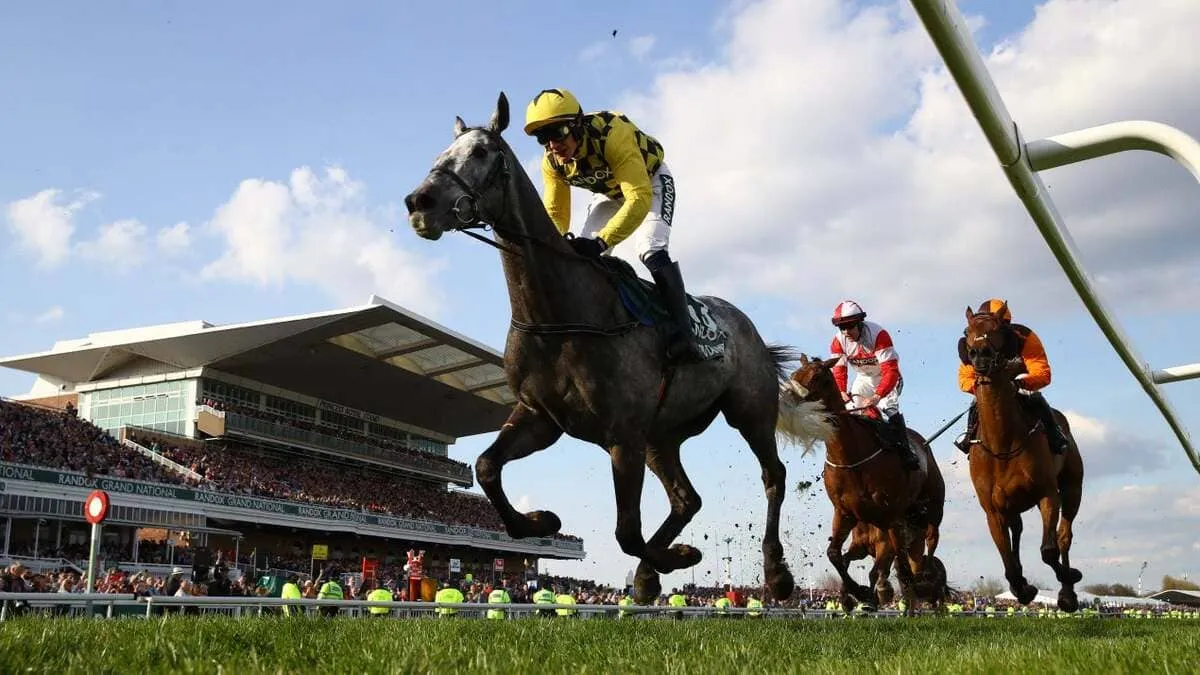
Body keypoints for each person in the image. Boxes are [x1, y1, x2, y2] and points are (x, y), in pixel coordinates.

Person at [523, 87, 702, 364]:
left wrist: (601, 241)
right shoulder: (552, 162)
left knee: (650, 248)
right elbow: (557, 213)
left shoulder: (613, 134)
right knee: (576, 259)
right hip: (609, 194)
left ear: (578, 126)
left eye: (558, 133)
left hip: (649, 183)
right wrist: (551, 247)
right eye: (543, 138)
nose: (553, 145)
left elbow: (639, 198)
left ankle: (685, 333)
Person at [955, 298, 1070, 454]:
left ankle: (1055, 435)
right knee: (976, 403)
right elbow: (965, 379)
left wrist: (1019, 384)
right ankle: (969, 436)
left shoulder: (1025, 337)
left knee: (1034, 397)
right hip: (989, 385)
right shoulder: (974, 341)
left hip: (1019, 381)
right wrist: (981, 387)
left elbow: (1041, 373)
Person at [829, 300, 918, 470]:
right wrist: (841, 391)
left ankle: (906, 452)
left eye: (849, 326)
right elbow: (840, 371)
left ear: (859, 323)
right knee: (851, 408)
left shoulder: (878, 334)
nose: (846, 332)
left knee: (889, 407)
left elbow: (890, 370)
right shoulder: (838, 341)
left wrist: (878, 396)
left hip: (887, 377)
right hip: (863, 378)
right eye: (842, 328)